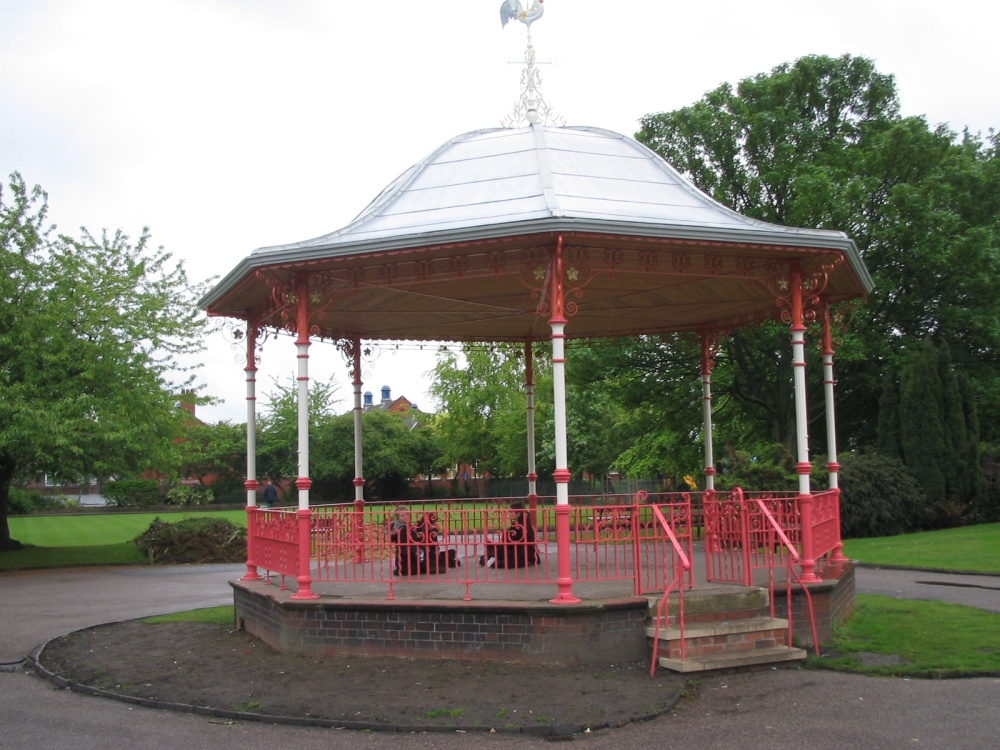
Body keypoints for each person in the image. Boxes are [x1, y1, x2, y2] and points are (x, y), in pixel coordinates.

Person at [479, 502, 538, 568]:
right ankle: (490, 559)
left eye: (511, 512)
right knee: (492, 547)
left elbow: (513, 541)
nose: (509, 514)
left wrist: (506, 536)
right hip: (516, 548)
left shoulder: (523, 525)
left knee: (500, 552)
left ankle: (491, 560)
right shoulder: (516, 523)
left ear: (518, 513)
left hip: (523, 552)